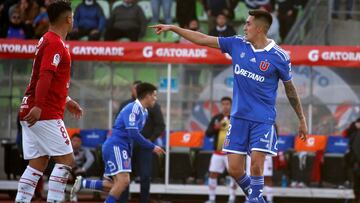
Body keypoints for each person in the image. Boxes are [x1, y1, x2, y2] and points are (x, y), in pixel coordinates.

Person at [150, 9, 307, 203]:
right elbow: (202, 39)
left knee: (256, 166)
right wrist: (174, 28)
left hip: (262, 119)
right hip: (238, 117)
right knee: (234, 169)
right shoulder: (237, 44)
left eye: (248, 23)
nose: (245, 26)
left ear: (259, 28)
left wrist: (302, 119)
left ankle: (255, 199)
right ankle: (258, 199)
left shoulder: (279, 56)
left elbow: (290, 90)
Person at [16, 1, 83, 203]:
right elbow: (45, 75)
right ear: (69, 19)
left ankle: (21, 200)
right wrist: (38, 106)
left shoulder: (47, 39)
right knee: (67, 160)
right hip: (44, 112)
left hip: (34, 108)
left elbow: (47, 78)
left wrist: (67, 99)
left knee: (38, 163)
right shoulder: (55, 43)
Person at [70, 82, 165, 203]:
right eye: (154, 95)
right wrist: (152, 146)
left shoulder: (144, 112)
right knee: (123, 182)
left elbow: (131, 135)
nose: (155, 98)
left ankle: (83, 183)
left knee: (115, 185)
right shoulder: (133, 108)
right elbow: (133, 133)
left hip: (122, 148)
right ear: (147, 95)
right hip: (116, 146)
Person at [118, 81, 165, 203]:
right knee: (125, 176)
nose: (154, 98)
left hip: (144, 147)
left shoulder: (152, 106)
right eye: (135, 88)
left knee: (145, 176)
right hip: (127, 146)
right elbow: (119, 126)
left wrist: (149, 141)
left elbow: (160, 125)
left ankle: (144, 200)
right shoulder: (127, 106)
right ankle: (122, 200)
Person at [204, 96, 237, 203]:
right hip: (218, 152)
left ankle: (232, 198)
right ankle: (211, 198)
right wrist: (215, 128)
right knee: (212, 174)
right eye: (223, 104)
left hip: (231, 153)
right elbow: (208, 133)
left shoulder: (235, 117)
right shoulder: (217, 118)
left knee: (233, 175)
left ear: (231, 105)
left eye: (227, 104)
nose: (225, 106)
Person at [68, 133, 95, 201]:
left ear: (81, 142)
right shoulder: (67, 149)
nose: (76, 143)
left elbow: (91, 159)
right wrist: (67, 171)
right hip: (68, 168)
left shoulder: (85, 150)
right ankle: (65, 193)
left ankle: (73, 194)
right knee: (64, 174)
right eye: (74, 140)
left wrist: (83, 169)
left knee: (79, 177)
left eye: (78, 141)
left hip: (79, 170)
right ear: (70, 141)